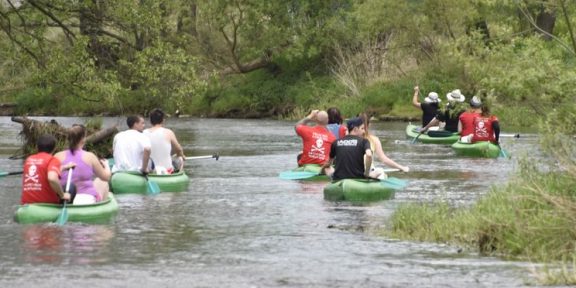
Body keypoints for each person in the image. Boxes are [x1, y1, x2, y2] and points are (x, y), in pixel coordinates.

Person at [55, 124, 111, 204]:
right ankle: (101, 207)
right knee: (102, 182)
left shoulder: (58, 155)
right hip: (86, 198)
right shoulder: (90, 156)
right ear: (83, 139)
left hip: (64, 197)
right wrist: (106, 165)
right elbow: (106, 177)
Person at [21, 134, 71, 205]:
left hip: (26, 204)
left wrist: (65, 167)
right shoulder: (52, 160)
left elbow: (43, 169)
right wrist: (62, 195)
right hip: (46, 204)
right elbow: (52, 178)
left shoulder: (29, 159)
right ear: (54, 148)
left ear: (37, 147)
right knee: (71, 187)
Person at [359, 113, 409, 178]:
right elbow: (384, 159)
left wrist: (401, 167)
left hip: (356, 171)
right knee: (380, 171)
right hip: (368, 172)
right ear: (369, 125)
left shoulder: (349, 138)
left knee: (379, 170)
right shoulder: (374, 139)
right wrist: (402, 167)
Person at [144, 108, 186, 174]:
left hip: (150, 169)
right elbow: (179, 149)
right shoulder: (168, 132)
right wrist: (182, 156)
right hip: (166, 170)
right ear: (163, 120)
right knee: (180, 159)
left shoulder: (143, 132)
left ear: (150, 121)